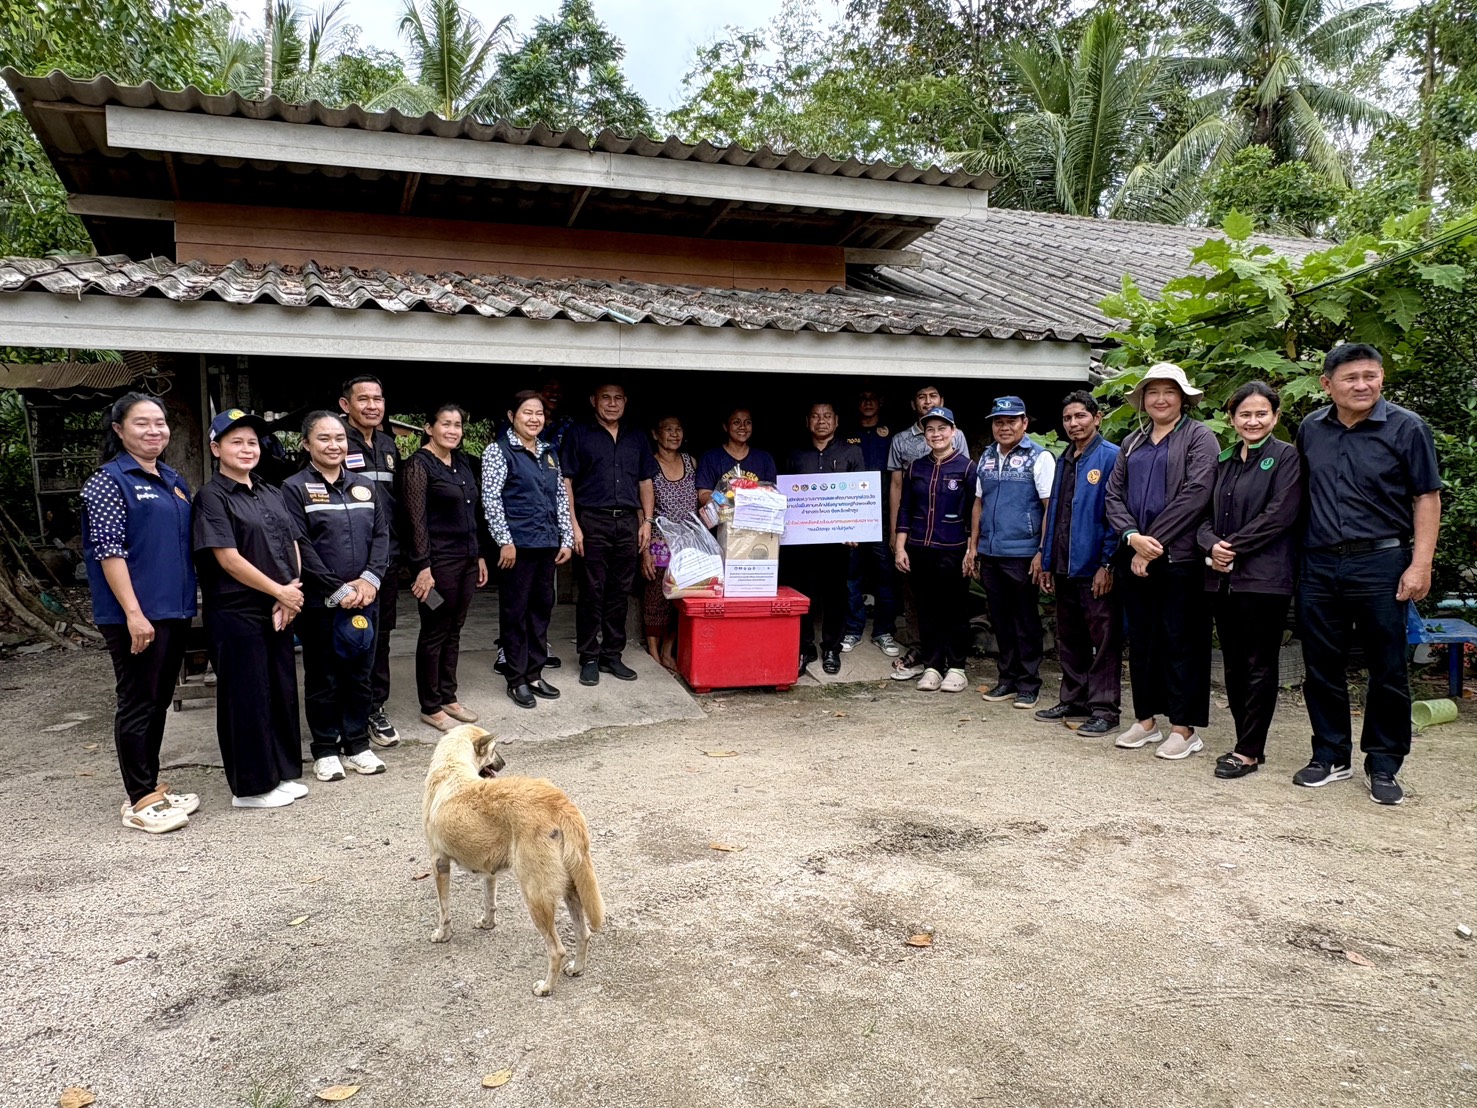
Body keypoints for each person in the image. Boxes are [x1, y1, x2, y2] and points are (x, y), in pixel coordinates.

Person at [1294, 344, 1442, 805]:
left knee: (1388, 667)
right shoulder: (1311, 428)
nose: (1362, 385)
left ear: (1381, 378)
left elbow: (1426, 496)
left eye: (1370, 376)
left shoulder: (1407, 427)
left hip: (1381, 561)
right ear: (1327, 384)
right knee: (1321, 665)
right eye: (1351, 378)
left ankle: (1384, 762)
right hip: (1319, 563)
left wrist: (1421, 563)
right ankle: (1330, 754)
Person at [80, 393, 200, 833]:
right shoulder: (108, 482)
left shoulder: (172, 479)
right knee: (137, 702)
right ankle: (139, 800)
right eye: (142, 423)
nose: (154, 431)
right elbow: (109, 552)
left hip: (174, 609)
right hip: (135, 615)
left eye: (160, 423)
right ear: (119, 429)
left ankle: (151, 787)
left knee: (158, 701)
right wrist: (133, 612)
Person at [193, 409, 309, 808]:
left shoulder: (269, 491)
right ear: (216, 448)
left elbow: (292, 542)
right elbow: (228, 559)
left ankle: (280, 774)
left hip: (279, 606)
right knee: (247, 696)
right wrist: (281, 591)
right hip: (237, 611)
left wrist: (290, 591)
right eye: (236, 442)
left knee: (279, 690)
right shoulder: (212, 497)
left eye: (252, 442)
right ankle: (251, 788)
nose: (247, 449)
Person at [1104, 363, 1220, 761]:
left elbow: (1197, 493)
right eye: (1152, 392)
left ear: (1183, 398)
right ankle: (1146, 720)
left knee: (1181, 641)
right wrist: (1131, 537)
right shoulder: (1132, 441)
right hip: (1135, 556)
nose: (1160, 399)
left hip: (1180, 557)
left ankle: (1184, 728)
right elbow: (1113, 494)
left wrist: (1150, 544)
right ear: (1143, 399)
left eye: (1169, 391)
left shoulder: (1199, 437)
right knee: (1142, 641)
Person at [1197, 382, 1303, 779]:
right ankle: (1245, 740)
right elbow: (1202, 516)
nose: (1253, 421)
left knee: (1260, 663)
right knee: (1235, 664)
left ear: (1275, 417)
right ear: (1231, 419)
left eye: (1261, 414)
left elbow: (1280, 515)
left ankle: (1249, 751)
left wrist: (1231, 547)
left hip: (1265, 579)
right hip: (1223, 579)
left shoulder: (1287, 457)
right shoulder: (1223, 461)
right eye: (1245, 414)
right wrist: (1211, 545)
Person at [282, 411, 391, 782]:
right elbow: (299, 545)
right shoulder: (294, 488)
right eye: (324, 438)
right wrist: (337, 588)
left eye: (340, 438)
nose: (334, 445)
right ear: (306, 444)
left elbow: (381, 536)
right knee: (324, 677)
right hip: (321, 603)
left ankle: (357, 744)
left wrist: (370, 581)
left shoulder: (364, 485)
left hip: (366, 599)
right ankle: (326, 749)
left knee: (360, 675)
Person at [1032, 391, 1121, 736]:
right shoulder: (1065, 458)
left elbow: (1115, 516)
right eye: (1068, 418)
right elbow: (1056, 512)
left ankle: (1104, 709)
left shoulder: (1111, 456)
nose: (1073, 423)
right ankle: (1074, 699)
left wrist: (1107, 564)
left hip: (1094, 567)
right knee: (1070, 638)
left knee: (1103, 642)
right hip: (1065, 565)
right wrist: (1048, 559)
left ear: (1097, 418)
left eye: (1081, 416)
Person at [481, 391, 574, 709]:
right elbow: (491, 499)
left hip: (546, 544)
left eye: (539, 413)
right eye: (527, 412)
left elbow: (560, 498)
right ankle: (516, 678)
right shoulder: (499, 451)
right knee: (515, 612)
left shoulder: (548, 452)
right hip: (517, 547)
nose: (534, 419)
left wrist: (566, 538)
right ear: (512, 416)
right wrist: (504, 540)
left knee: (541, 609)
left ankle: (534, 673)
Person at [561, 382, 658, 686]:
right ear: (594, 400)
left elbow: (645, 481)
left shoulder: (636, 436)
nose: (612, 403)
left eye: (618, 398)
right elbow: (566, 481)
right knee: (592, 591)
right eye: (606, 397)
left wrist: (647, 521)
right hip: (592, 520)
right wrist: (573, 524)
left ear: (625, 401)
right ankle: (589, 656)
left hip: (628, 522)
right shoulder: (579, 433)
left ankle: (612, 655)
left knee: (620, 591)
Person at [403, 403, 487, 732]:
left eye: (457, 425)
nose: (453, 430)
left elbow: (474, 515)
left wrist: (479, 555)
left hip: (466, 560)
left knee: (455, 628)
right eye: (446, 424)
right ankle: (430, 705)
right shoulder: (418, 465)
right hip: (438, 564)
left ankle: (448, 695)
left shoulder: (462, 462)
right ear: (429, 428)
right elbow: (415, 521)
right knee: (435, 630)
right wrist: (422, 567)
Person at [974, 396, 1056, 710]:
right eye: (999, 421)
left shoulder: (1040, 457)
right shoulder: (987, 456)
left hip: (1023, 553)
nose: (1004, 427)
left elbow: (1049, 508)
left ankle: (1028, 684)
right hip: (990, 552)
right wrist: (973, 547)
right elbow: (978, 503)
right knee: (1000, 619)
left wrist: (1042, 551)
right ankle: (1007, 679)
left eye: (1011, 421)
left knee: (1025, 620)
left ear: (1024, 423)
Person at [886, 382, 970, 680]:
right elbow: (905, 507)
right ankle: (933, 666)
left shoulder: (967, 467)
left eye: (942, 429)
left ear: (953, 431)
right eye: (930, 429)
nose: (936, 434)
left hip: (954, 549)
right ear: (924, 433)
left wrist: (972, 549)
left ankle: (957, 667)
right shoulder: (916, 468)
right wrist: (900, 545)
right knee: (927, 609)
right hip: (920, 547)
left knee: (955, 609)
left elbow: (973, 511)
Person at [338, 375, 403, 747]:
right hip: (347, 561)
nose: (372, 406)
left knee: (381, 636)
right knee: (347, 635)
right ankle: (344, 711)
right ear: (346, 405)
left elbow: (397, 504)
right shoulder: (335, 441)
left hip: (386, 559)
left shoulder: (389, 444)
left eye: (378, 398)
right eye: (363, 399)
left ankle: (375, 706)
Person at [784, 401, 864, 675]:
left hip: (837, 541)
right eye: (816, 416)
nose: (821, 421)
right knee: (802, 592)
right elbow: (785, 494)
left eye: (827, 416)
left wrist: (856, 528)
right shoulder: (795, 453)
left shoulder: (851, 452)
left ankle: (832, 647)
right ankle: (805, 647)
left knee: (835, 594)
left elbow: (860, 495)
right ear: (807, 421)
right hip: (801, 539)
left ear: (837, 421)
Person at [842, 386, 901, 658]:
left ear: (881, 401)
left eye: (872, 398)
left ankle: (883, 631)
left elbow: (897, 481)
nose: (867, 402)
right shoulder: (845, 435)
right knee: (850, 576)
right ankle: (853, 629)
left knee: (885, 576)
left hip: (883, 518)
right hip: (852, 517)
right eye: (862, 398)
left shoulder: (892, 436)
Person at [641, 414, 698, 671]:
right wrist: (645, 550)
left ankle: (668, 651)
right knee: (656, 596)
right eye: (668, 429)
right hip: (658, 542)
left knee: (681, 596)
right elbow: (641, 509)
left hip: (688, 543)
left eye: (678, 429)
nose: (674, 434)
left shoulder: (691, 462)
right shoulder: (649, 465)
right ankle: (653, 652)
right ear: (655, 434)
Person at [695, 407, 779, 506]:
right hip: (723, 514)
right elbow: (703, 495)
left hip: (756, 514)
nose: (743, 427)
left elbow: (773, 493)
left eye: (748, 422)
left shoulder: (764, 458)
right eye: (736, 422)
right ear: (725, 427)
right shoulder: (710, 458)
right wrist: (728, 501)